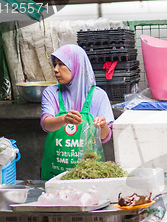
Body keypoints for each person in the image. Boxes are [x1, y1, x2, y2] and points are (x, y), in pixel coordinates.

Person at [40, 44, 114, 180]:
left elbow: (104, 137)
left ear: (76, 65)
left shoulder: (98, 96)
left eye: (61, 64)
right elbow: (46, 124)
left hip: (90, 175)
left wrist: (102, 126)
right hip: (56, 175)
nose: (56, 70)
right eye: (55, 64)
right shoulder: (51, 93)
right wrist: (63, 119)